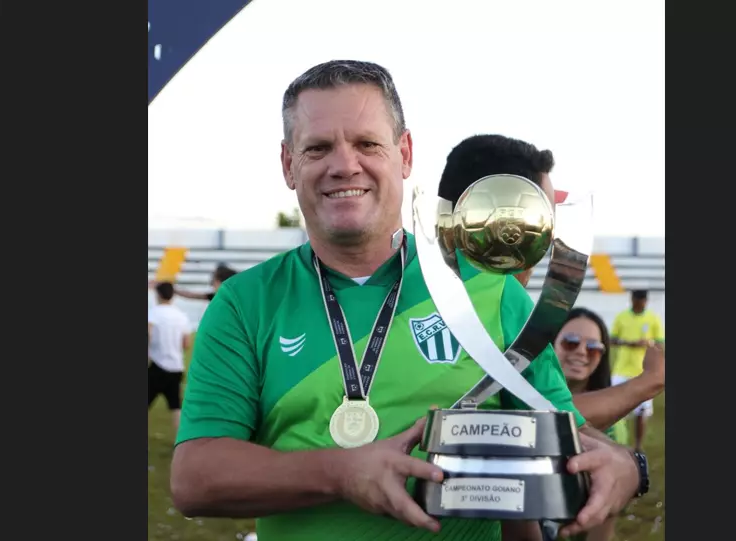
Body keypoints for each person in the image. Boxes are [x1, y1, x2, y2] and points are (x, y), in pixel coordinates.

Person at [170, 60, 644, 541]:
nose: (344, 165)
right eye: (317, 148)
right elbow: (195, 477)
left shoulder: (493, 292)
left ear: (405, 152)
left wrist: (625, 464)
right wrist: (341, 473)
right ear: (289, 165)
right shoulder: (244, 302)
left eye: (367, 144)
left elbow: (566, 435)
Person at [437, 134, 666, 433]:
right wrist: (651, 381)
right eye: (544, 219)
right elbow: (562, 427)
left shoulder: (385, 277)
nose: (548, 238)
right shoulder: (505, 298)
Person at [549, 307, 664, 541]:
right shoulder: (512, 394)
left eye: (593, 348)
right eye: (570, 342)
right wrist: (649, 381)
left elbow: (607, 515)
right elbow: (542, 414)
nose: (582, 352)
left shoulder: (615, 427)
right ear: (550, 344)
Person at [610, 290, 665, 452]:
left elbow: (660, 344)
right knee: (615, 409)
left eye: (643, 301)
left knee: (642, 412)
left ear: (646, 301)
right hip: (621, 370)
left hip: (643, 371)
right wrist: (629, 343)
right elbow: (612, 339)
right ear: (632, 300)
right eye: (637, 300)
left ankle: (638, 445)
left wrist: (649, 344)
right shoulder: (622, 317)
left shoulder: (653, 318)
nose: (640, 303)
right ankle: (617, 441)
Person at [148, 281, 193, 438]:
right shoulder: (181, 316)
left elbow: (148, 333)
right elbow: (186, 343)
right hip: (176, 367)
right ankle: (180, 441)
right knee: (176, 406)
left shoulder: (154, 313)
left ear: (158, 294)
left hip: (158, 365)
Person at [149, 264, 238, 302]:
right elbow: (191, 295)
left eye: (214, 281)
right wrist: (167, 286)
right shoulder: (216, 296)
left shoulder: (236, 299)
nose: (212, 284)